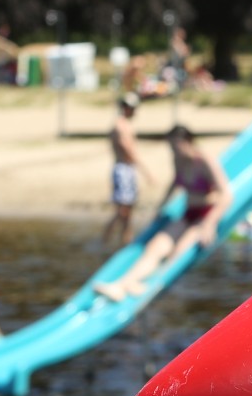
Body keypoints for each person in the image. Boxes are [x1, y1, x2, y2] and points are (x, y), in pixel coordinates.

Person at [93, 126, 230, 302]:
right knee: (156, 246)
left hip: (205, 216)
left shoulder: (204, 160)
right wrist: (160, 208)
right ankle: (123, 284)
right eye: (171, 147)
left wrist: (209, 224)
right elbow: (174, 183)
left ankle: (150, 286)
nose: (173, 151)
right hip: (188, 214)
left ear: (187, 143)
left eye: (175, 146)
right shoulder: (179, 160)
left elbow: (226, 195)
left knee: (179, 251)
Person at [103, 93, 156, 247]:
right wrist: (147, 173)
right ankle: (105, 240)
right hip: (123, 170)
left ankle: (126, 241)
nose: (135, 112)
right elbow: (129, 152)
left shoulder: (124, 125)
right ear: (126, 108)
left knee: (128, 210)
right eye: (133, 108)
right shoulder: (120, 127)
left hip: (127, 170)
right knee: (122, 211)